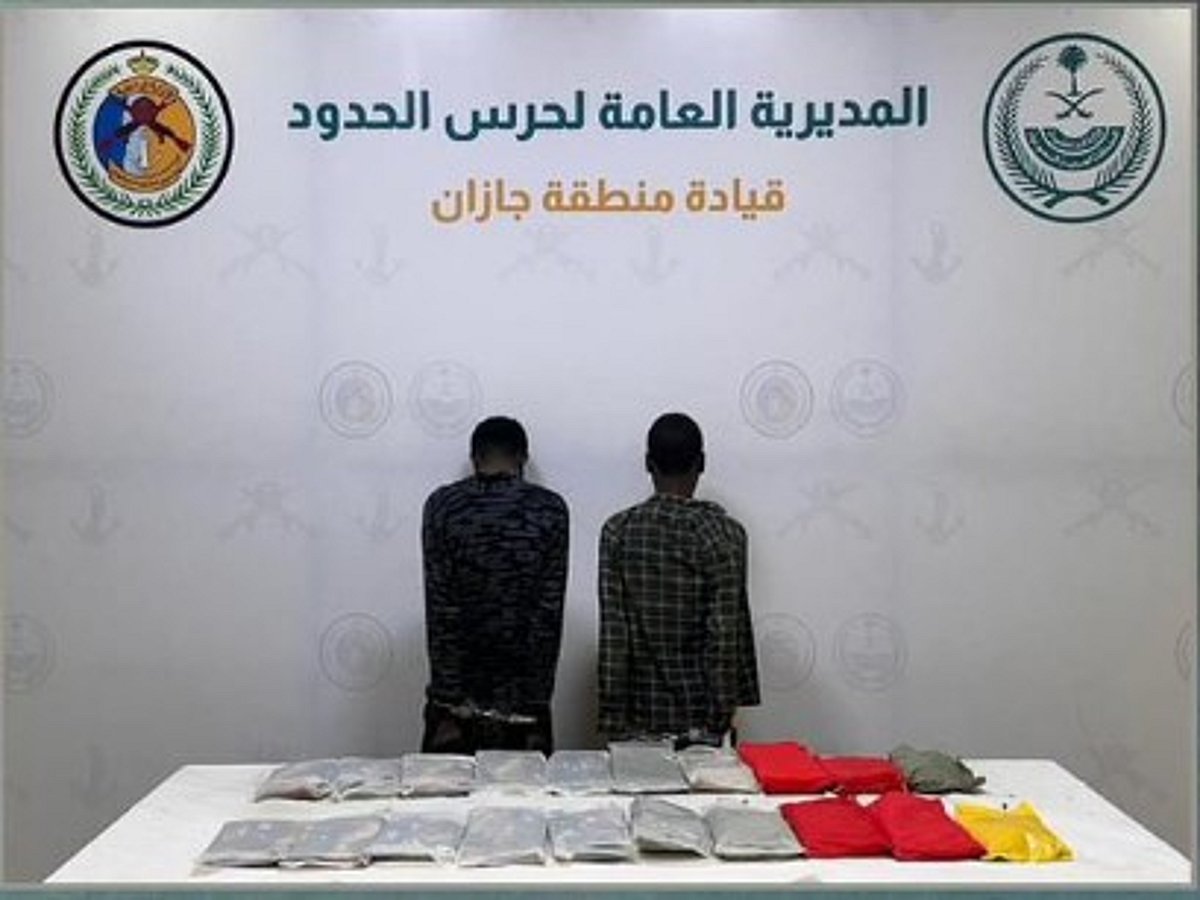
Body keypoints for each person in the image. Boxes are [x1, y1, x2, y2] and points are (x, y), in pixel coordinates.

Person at [598, 412, 760, 749]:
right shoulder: (726, 534)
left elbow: (614, 635)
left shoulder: (617, 531)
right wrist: (719, 719)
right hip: (702, 721)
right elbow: (723, 636)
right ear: (702, 463)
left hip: (638, 718)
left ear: (648, 463)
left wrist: (615, 720)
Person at [421, 415, 569, 754]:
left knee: (444, 789)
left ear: (475, 458)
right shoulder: (550, 510)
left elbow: (440, 607)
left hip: (455, 704)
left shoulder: (442, 507)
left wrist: (447, 698)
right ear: (523, 458)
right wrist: (535, 701)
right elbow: (548, 614)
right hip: (524, 704)